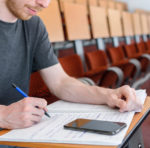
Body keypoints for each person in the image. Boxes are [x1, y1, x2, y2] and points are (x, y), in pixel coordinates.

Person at [0, 0, 142, 134]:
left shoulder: (33, 25)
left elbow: (60, 82)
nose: (44, 4)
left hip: (19, 132)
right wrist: (4, 115)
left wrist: (109, 95)